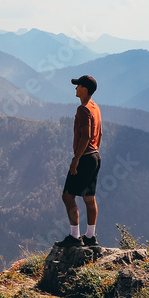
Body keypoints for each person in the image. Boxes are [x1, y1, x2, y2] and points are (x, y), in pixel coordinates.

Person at [54, 74, 102, 247]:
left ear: (85, 89)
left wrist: (76, 159)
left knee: (68, 196)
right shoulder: (95, 107)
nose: (75, 88)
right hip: (95, 156)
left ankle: (74, 237)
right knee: (89, 198)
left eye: (78, 85)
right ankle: (90, 237)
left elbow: (86, 137)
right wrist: (94, 151)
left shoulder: (83, 109)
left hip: (85, 157)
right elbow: (99, 134)